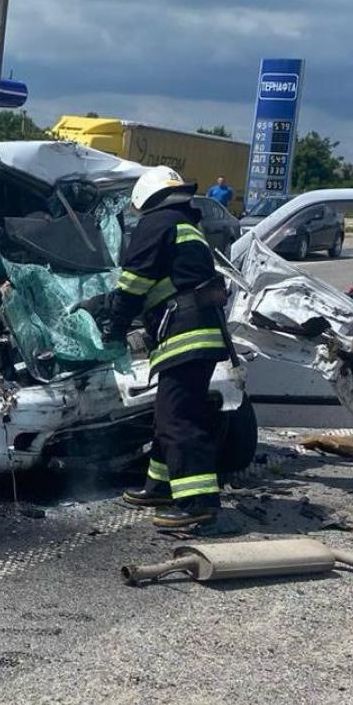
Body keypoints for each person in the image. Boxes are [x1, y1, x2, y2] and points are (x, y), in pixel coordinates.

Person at [102, 166, 232, 530]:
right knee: (167, 414)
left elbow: (133, 282)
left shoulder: (156, 223)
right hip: (197, 332)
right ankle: (158, 486)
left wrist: (114, 328)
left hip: (184, 334)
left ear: (145, 199)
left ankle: (198, 503)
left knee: (178, 419)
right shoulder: (185, 224)